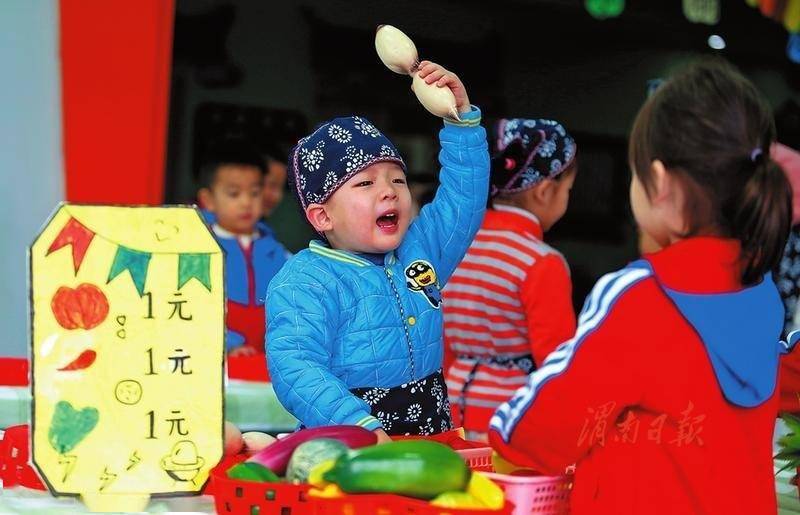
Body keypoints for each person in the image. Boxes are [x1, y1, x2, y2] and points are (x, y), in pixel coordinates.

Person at [489, 59, 794, 514]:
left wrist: (502, 428)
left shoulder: (640, 295)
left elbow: (540, 428)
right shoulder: (761, 293)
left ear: (662, 185)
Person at [266, 62, 489, 441]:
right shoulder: (304, 280)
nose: (388, 191)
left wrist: (461, 121)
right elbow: (296, 365)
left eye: (397, 179)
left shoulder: (421, 250)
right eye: (366, 182)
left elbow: (463, 201)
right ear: (322, 216)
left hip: (433, 438)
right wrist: (360, 427)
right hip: (350, 442)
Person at [443, 118, 578, 441]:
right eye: (568, 190)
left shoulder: (454, 248)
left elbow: (440, 344)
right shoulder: (541, 262)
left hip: (450, 409)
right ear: (545, 191)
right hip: (511, 419)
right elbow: (556, 364)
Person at [197, 140, 289, 359]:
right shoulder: (199, 248)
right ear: (208, 200)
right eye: (234, 194)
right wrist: (229, 344)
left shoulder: (277, 251)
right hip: (216, 359)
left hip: (268, 363)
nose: (246, 202)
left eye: (255, 193)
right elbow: (194, 309)